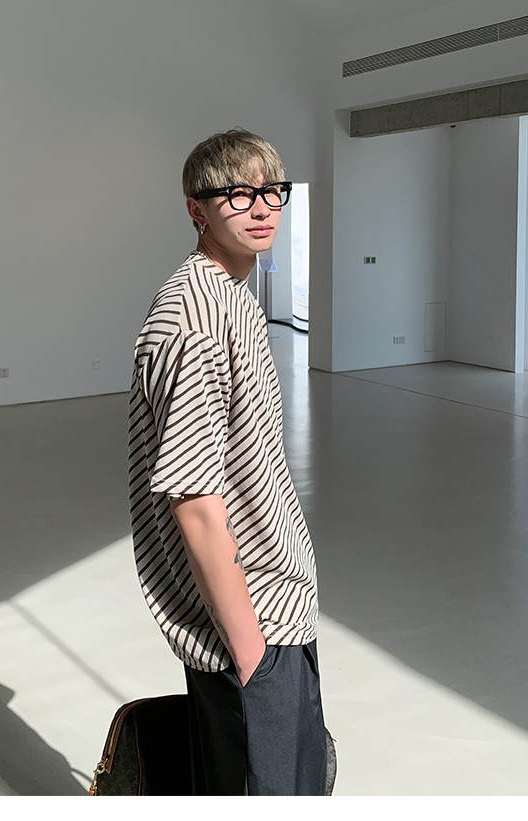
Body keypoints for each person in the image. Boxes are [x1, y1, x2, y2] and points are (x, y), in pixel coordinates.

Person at [128, 129, 327, 796]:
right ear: (197, 208)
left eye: (272, 190)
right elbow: (193, 501)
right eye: (238, 193)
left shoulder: (233, 296)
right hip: (251, 625)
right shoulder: (195, 320)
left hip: (276, 606)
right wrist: (249, 654)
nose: (262, 207)